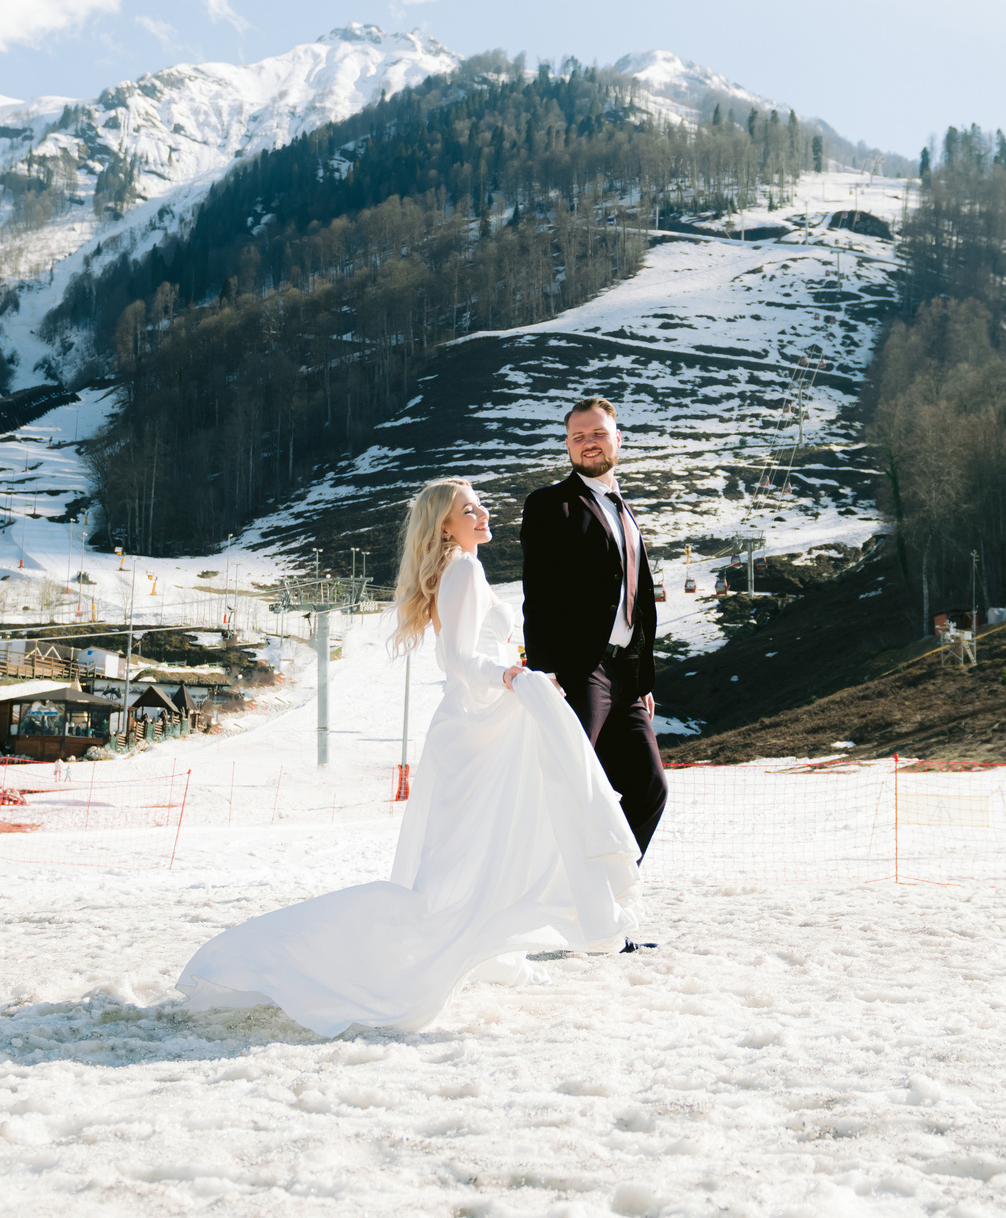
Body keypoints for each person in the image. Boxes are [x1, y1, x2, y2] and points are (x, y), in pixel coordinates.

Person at [175, 478, 640, 1036]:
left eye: (479, 505)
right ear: (445, 526)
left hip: (480, 725)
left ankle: (483, 951)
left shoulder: (463, 567)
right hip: (477, 728)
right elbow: (462, 660)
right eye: (469, 510)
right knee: (457, 866)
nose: (483, 513)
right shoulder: (464, 569)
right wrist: (512, 675)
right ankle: (285, 956)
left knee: (472, 854)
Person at [520, 398, 668, 866]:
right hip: (579, 672)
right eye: (579, 436)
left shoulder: (625, 511)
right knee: (572, 788)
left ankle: (610, 899)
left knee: (650, 789)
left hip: (625, 677)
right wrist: (544, 671)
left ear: (617, 439)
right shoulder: (550, 505)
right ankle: (558, 902)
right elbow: (537, 594)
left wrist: (642, 682)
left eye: (598, 434)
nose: (589, 443)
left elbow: (639, 601)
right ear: (566, 445)